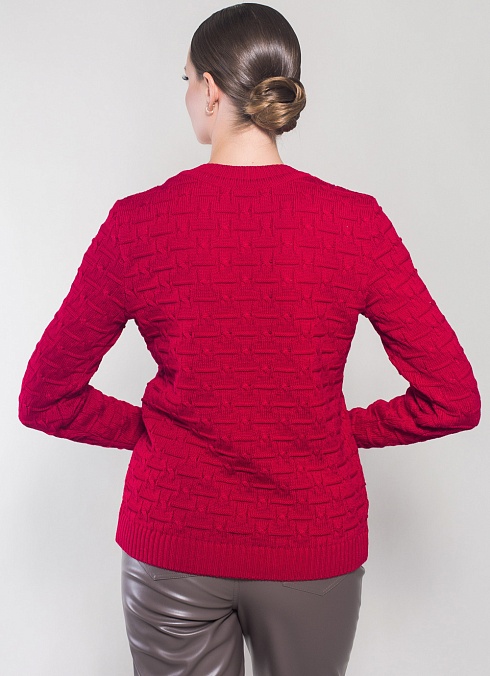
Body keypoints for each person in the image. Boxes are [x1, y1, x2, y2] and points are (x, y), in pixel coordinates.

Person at [18, 3, 481, 675]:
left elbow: (44, 397)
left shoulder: (137, 225)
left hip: (175, 538)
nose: (186, 95)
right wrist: (339, 430)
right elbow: (454, 398)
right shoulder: (356, 224)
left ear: (210, 89)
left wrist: (153, 431)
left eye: (185, 80)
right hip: (313, 542)